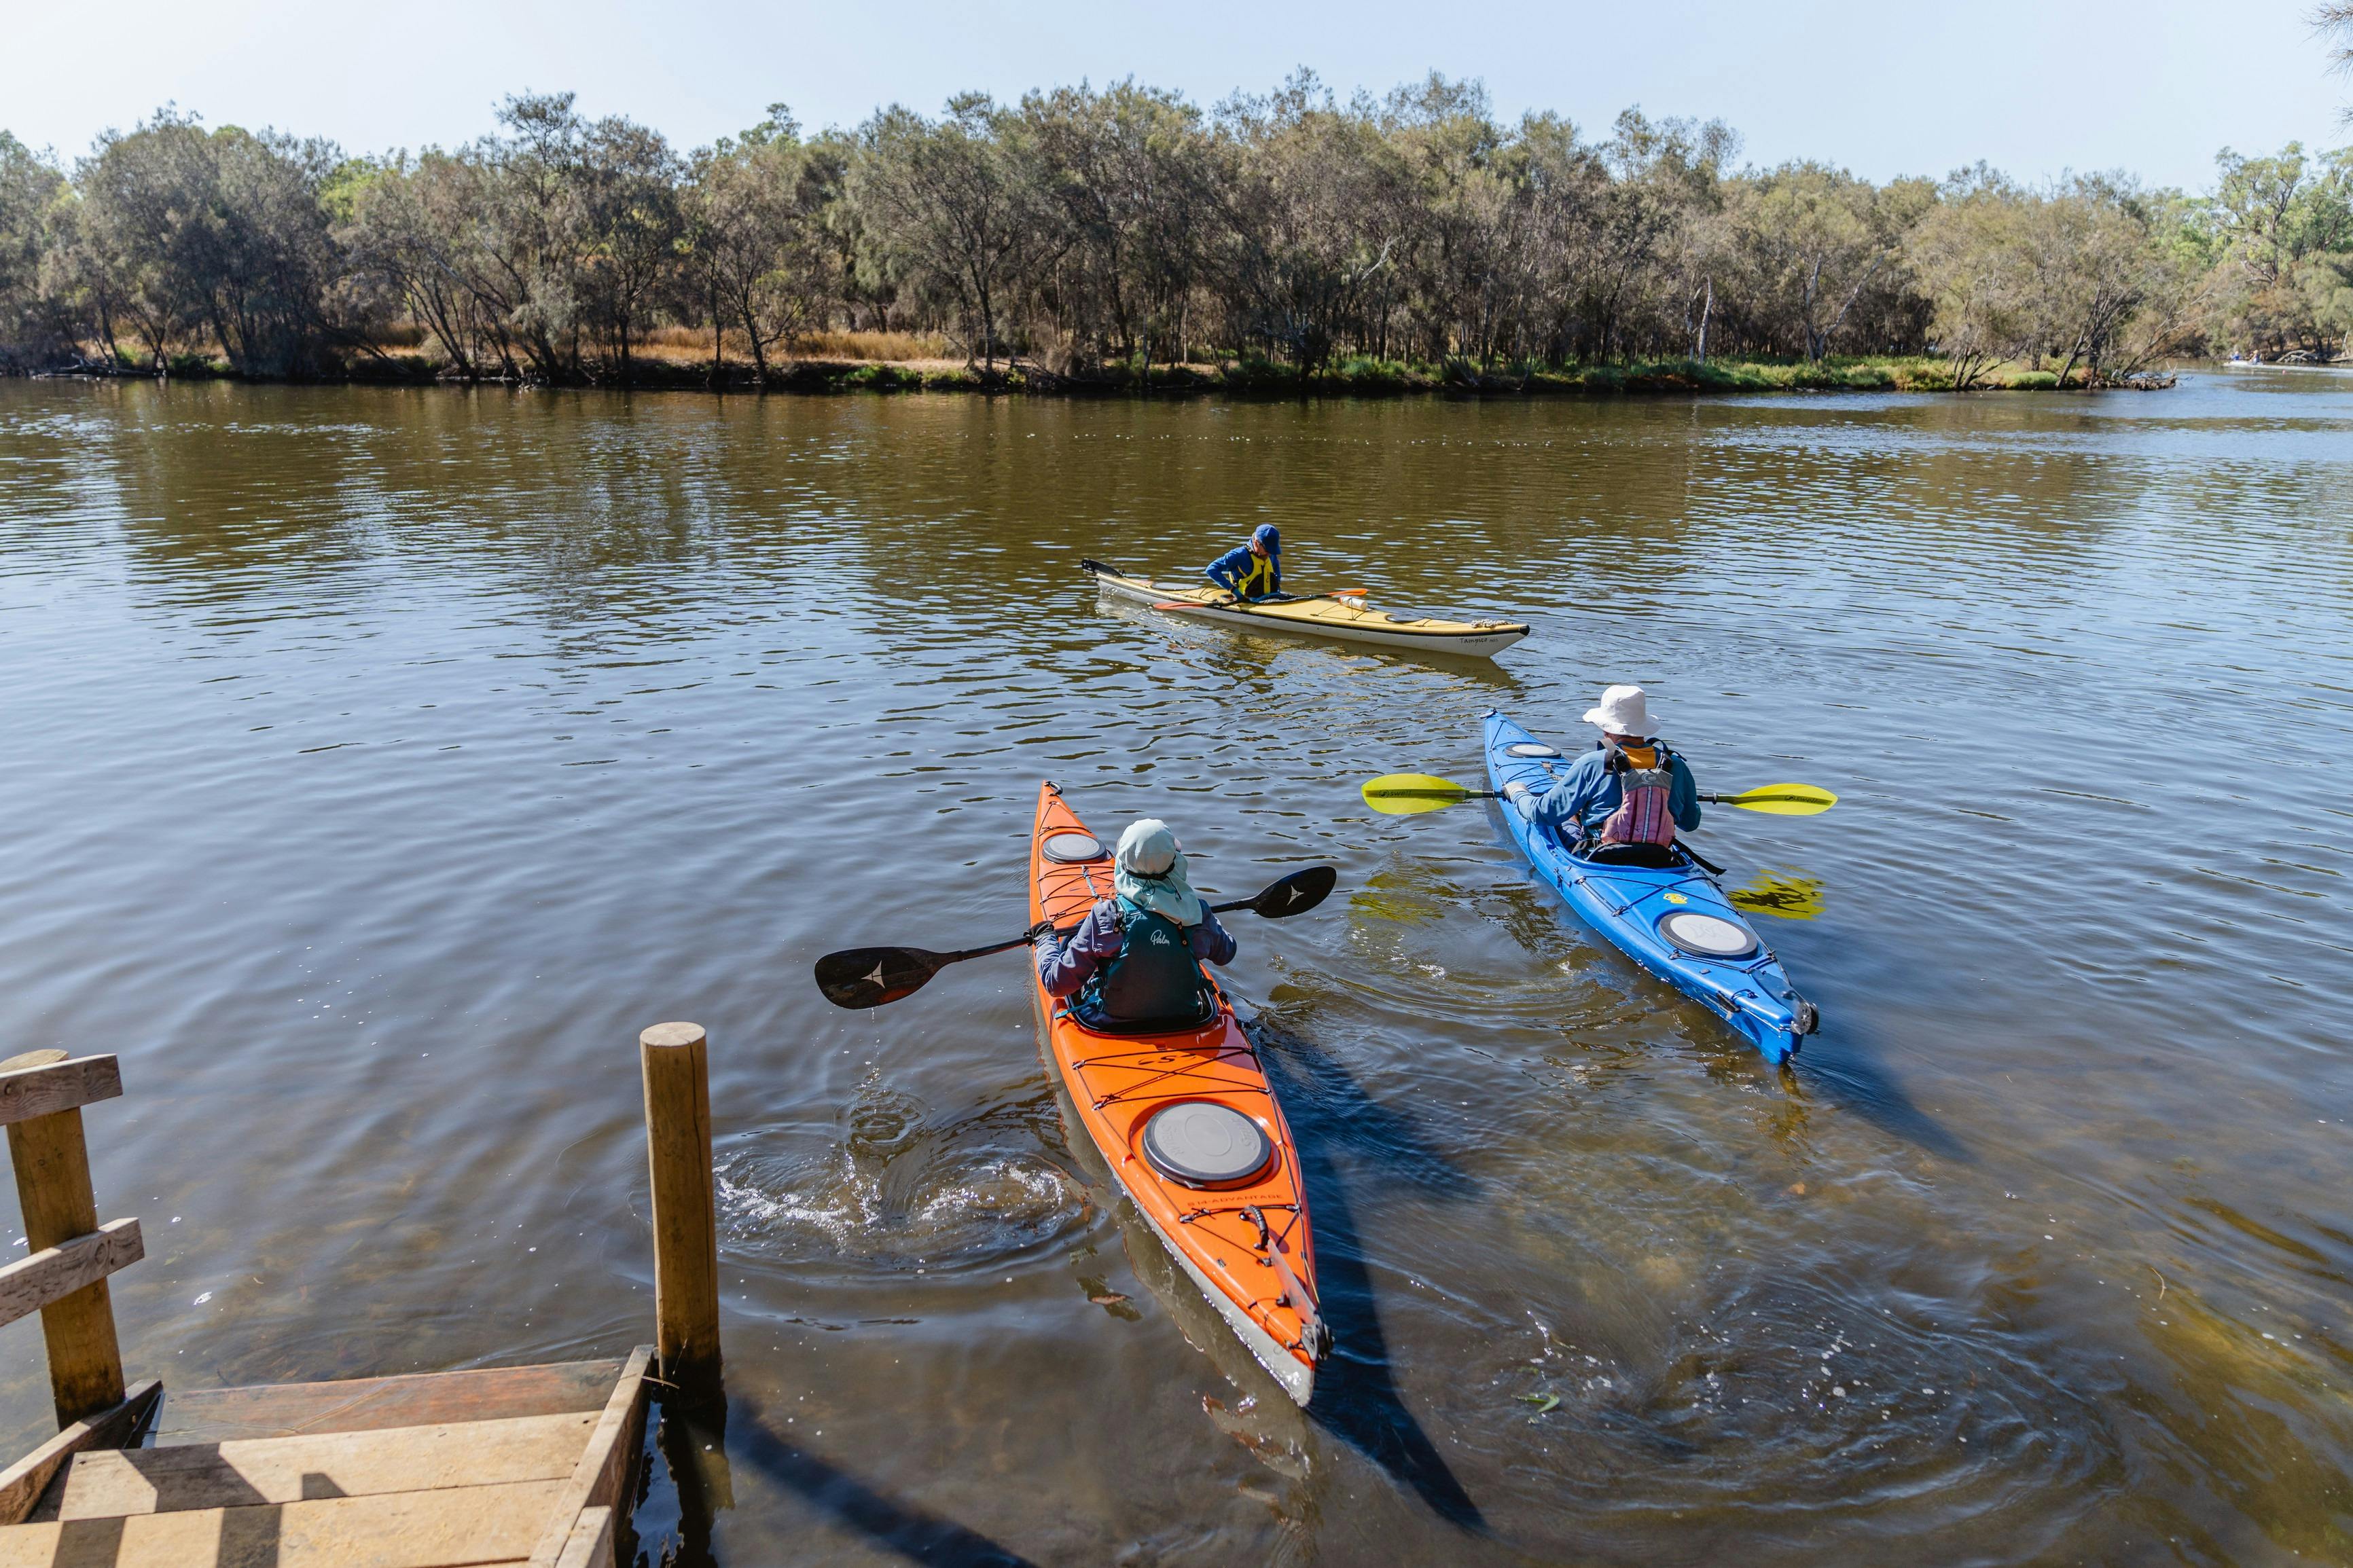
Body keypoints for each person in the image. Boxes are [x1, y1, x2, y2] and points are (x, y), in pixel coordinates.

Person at [1036, 819, 1237, 1027]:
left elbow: (1056, 984)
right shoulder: (1198, 913)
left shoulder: (1106, 916)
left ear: (1123, 864)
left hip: (1111, 1023)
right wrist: (1209, 920)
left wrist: (1045, 941)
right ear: (1174, 862)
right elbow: (1226, 953)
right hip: (1187, 1019)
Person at [1501, 685, 1702, 864]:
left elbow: (1541, 813)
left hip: (1602, 858)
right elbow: (1690, 823)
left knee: (1566, 817)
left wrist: (1517, 793)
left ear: (1605, 728)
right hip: (1660, 859)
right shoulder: (1675, 765)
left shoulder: (1593, 763)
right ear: (1643, 729)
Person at [1204, 524, 1282, 602]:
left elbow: (1277, 575)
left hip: (1269, 599)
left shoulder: (1271, 554)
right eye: (1267, 550)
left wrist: (1277, 590)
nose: (1270, 554)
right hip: (1245, 601)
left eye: (1273, 550)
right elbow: (1211, 569)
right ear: (1256, 543)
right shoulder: (1239, 555)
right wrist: (1232, 589)